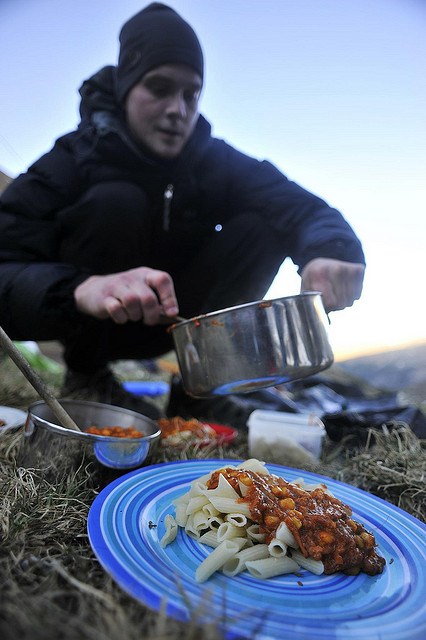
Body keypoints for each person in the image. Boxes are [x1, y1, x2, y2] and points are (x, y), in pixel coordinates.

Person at [0, 3, 365, 425]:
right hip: (92, 322)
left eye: (191, 93)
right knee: (116, 201)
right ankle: (89, 377)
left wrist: (331, 249)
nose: (178, 109)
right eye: (159, 88)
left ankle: (203, 388)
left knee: (265, 220)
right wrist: (82, 288)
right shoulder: (72, 159)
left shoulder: (215, 160)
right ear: (125, 88)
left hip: (183, 327)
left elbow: (299, 206)